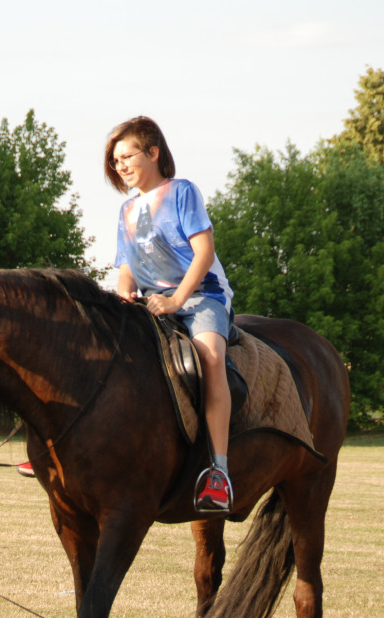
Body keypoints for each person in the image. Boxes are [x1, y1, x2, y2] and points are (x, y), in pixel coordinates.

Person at [105, 116, 236, 513]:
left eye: (127, 156)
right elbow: (127, 266)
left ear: (154, 152)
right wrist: (124, 290)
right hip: (150, 303)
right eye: (115, 161)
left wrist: (177, 301)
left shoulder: (181, 192)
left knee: (210, 357)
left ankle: (219, 472)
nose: (121, 165)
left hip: (200, 297)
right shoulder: (126, 211)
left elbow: (204, 253)